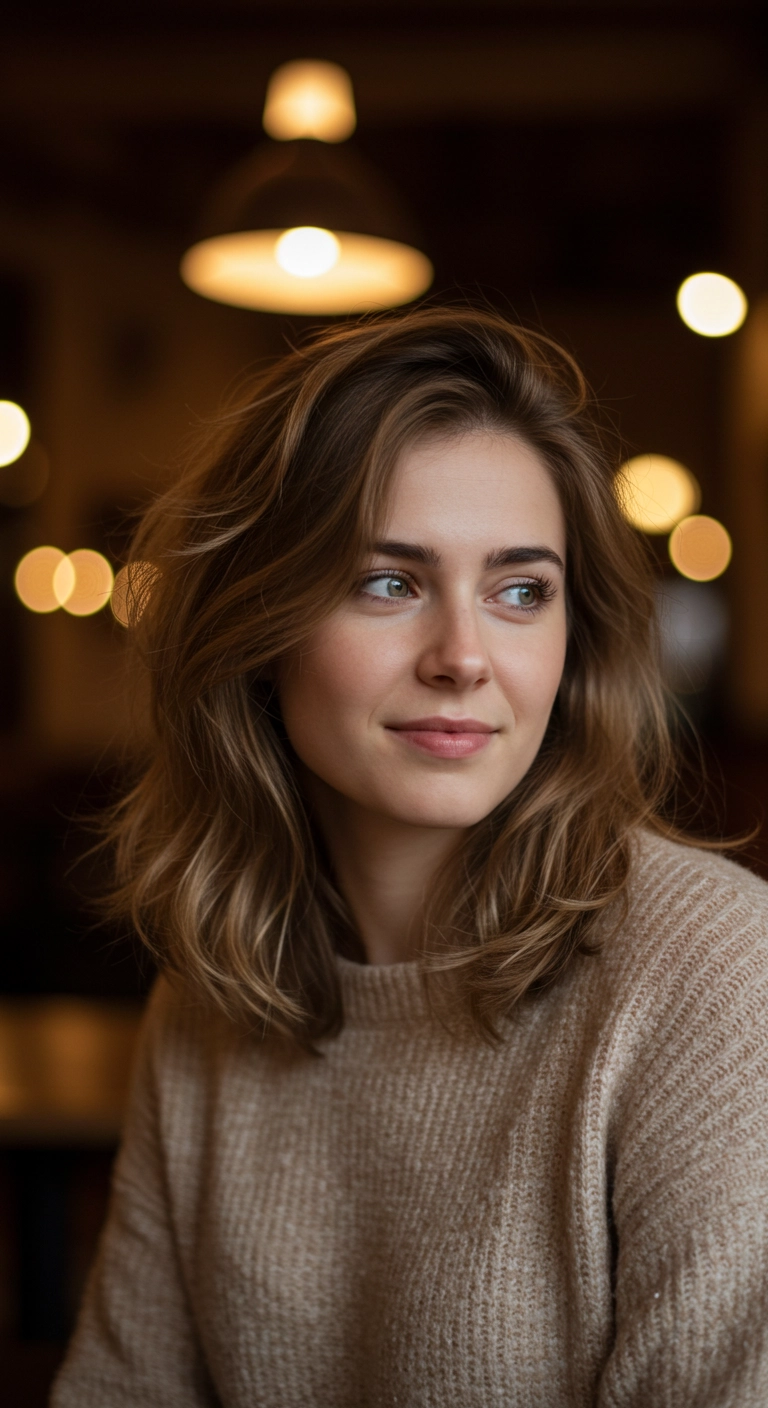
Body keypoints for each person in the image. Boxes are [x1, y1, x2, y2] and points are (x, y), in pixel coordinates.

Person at [52, 306, 768, 1407]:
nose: (465, 657)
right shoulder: (207, 1001)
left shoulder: (712, 974)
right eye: (389, 581)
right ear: (257, 624)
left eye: (520, 590)